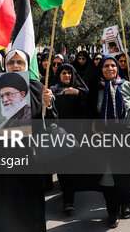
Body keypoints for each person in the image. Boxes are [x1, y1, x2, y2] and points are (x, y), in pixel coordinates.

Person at [0, 49, 56, 231]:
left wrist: (48, 105)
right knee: (0, 210)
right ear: (5, 65)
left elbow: (50, 124)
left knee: (29, 210)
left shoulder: (37, 88)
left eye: (20, 62)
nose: (15, 66)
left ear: (26, 66)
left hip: (28, 161)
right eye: (11, 62)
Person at [86, 56, 130, 228]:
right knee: (109, 177)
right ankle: (113, 211)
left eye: (113, 66)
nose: (110, 68)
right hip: (105, 137)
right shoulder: (95, 88)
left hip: (128, 135)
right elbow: (87, 112)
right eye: (106, 66)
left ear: (117, 68)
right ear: (101, 68)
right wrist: (92, 125)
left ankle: (126, 202)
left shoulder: (127, 86)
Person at [50, 63, 88, 213]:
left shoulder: (81, 90)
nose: (67, 76)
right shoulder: (53, 90)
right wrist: (61, 95)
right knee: (64, 167)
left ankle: (70, 192)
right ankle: (68, 200)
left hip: (78, 134)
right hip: (60, 135)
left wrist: (77, 94)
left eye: (69, 73)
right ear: (59, 75)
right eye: (63, 73)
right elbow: (49, 108)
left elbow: (88, 103)